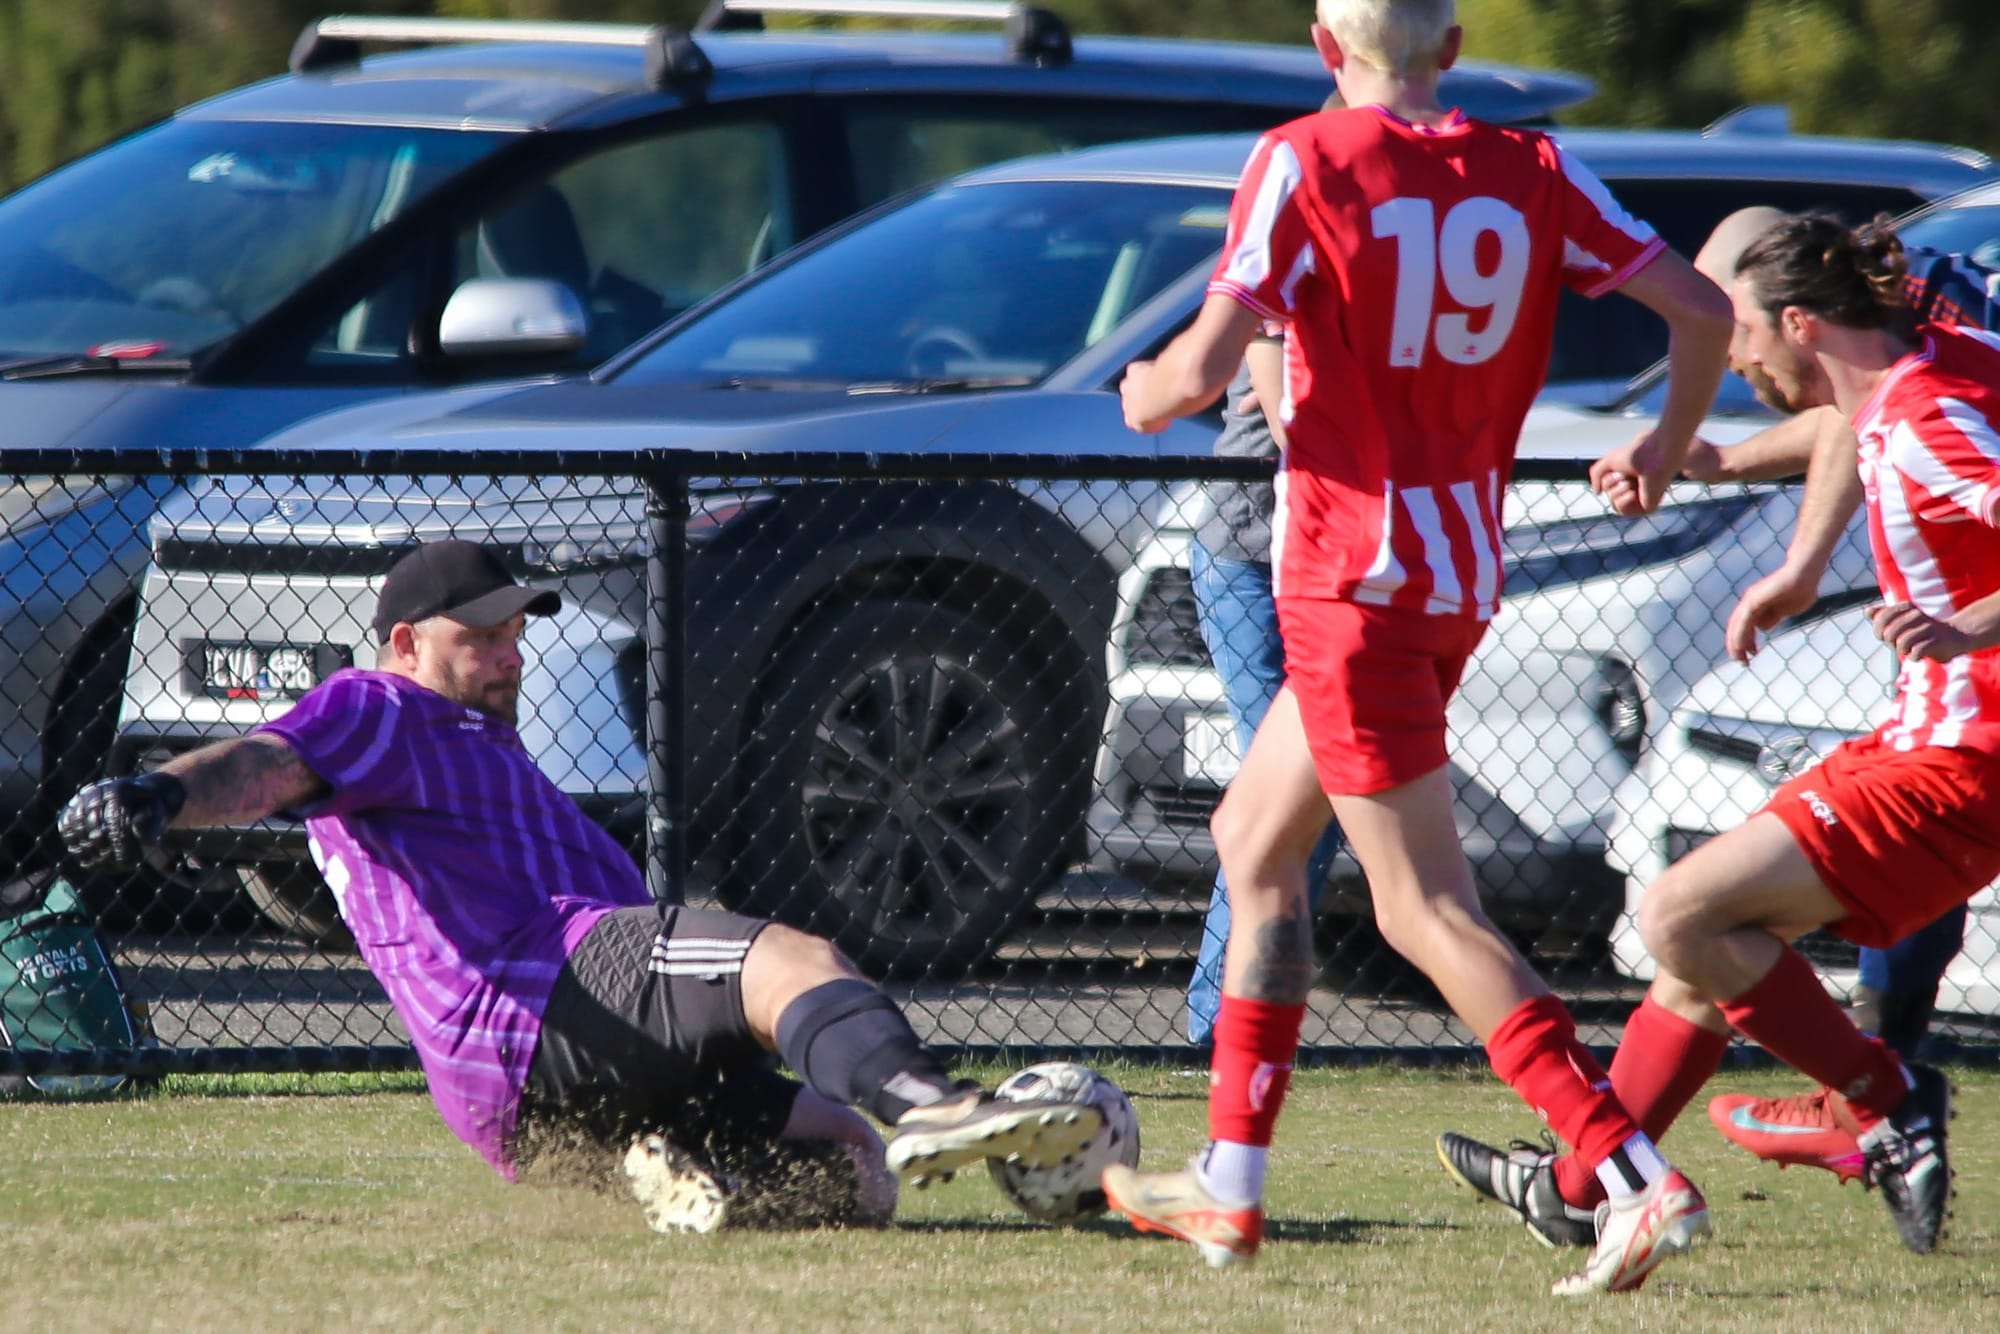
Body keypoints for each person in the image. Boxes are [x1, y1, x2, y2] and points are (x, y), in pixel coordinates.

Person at [1096, 0, 1733, 1296]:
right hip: (1450, 576)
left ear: (1329, 51)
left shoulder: (1306, 159)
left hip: (1349, 580)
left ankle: (1624, 1166)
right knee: (1255, 845)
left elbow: (1199, 374)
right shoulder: (1534, 168)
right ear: (1452, 49)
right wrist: (1665, 448)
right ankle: (1231, 1180)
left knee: (1424, 905)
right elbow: (1705, 311)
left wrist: (1145, 388)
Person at [58, 539, 1102, 1233]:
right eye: (481, 635)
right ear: (405, 643)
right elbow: (266, 761)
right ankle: (938, 1105)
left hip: (523, 1104)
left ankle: (691, 1175)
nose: (509, 654)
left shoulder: (481, 752)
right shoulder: (378, 704)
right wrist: (155, 795)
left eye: (517, 632)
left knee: (852, 1171)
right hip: (548, 995)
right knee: (791, 960)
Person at [1447, 208, 1999, 1264]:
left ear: (1797, 320)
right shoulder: (1899, 383)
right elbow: (1853, 424)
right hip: (1922, 741)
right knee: (1700, 955)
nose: (1729, 351)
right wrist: (1722, 462)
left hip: (1959, 760)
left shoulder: (1924, 411)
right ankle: (1579, 1187)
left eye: (1735, 327)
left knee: (1677, 912)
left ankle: (1888, 1105)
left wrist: (1962, 622)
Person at [1186, 327, 1347, 1043]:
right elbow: (1292, 424)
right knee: (1282, 803)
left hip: (1330, 570)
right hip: (1246, 562)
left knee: (1315, 804)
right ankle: (1221, 1024)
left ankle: (1239, 1020)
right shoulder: (1281, 278)